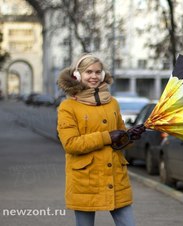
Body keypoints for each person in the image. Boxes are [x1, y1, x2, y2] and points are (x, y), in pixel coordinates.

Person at [57, 53, 145, 226]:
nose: (94, 76)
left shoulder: (112, 103)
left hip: (115, 177)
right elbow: (70, 144)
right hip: (85, 180)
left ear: (103, 75)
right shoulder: (68, 107)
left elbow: (119, 138)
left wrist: (129, 136)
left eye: (98, 72)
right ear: (77, 75)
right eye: (88, 72)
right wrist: (107, 137)